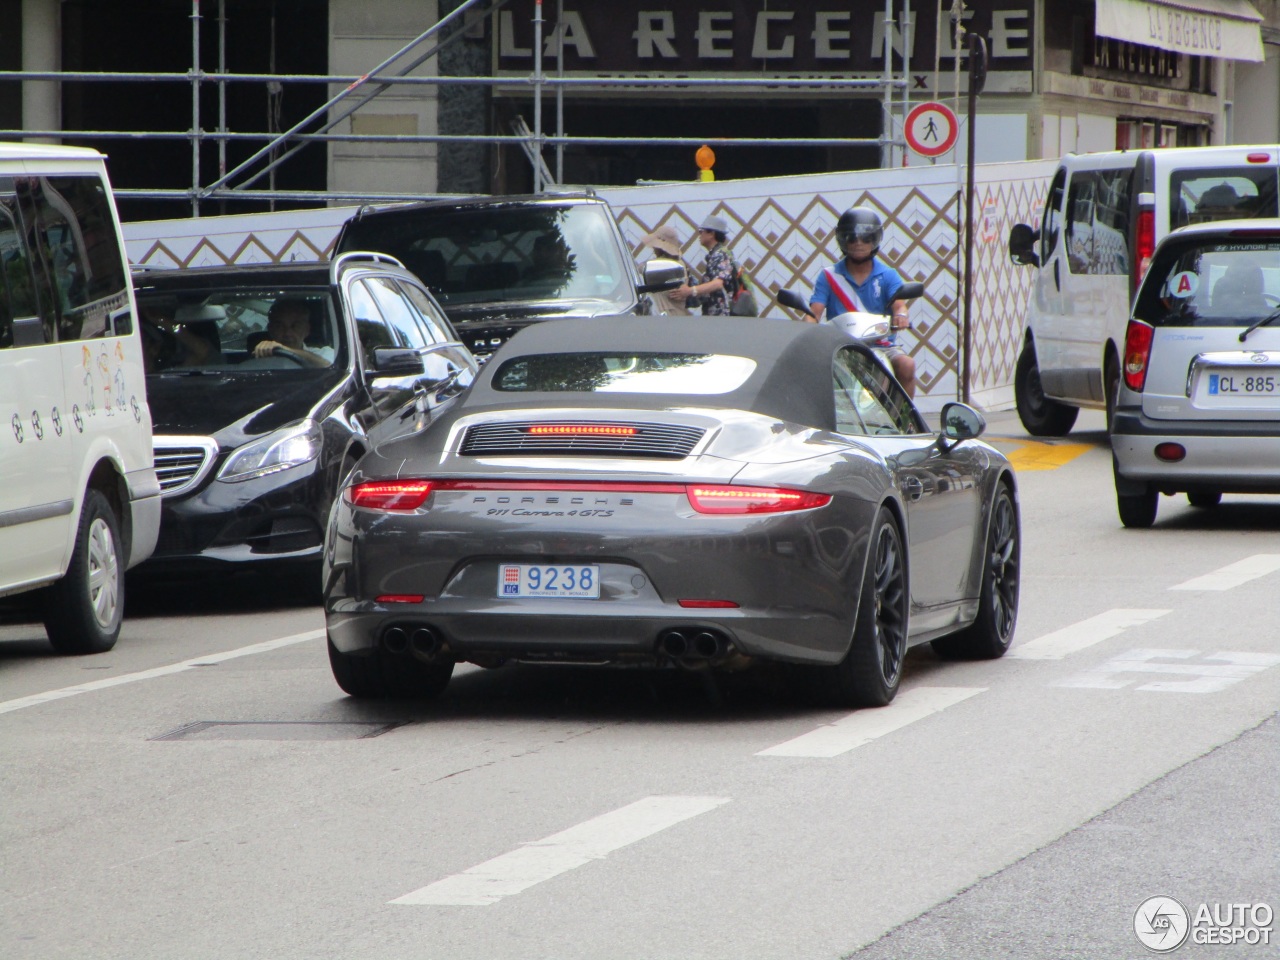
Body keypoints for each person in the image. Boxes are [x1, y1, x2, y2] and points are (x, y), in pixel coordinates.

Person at [808, 206, 917, 397]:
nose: (858, 243)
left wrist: (901, 316)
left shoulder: (887, 275)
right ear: (842, 239)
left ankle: (906, 421)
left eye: (866, 238)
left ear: (876, 240)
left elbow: (899, 304)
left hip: (881, 345)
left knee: (907, 365)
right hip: (842, 346)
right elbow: (814, 312)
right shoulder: (828, 276)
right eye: (851, 237)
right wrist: (807, 328)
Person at [673, 214, 736, 316]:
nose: (699, 235)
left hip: (721, 316)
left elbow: (718, 283)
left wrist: (690, 290)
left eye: (701, 231)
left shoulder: (720, 255)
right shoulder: (715, 255)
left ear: (711, 233)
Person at [252, 298, 332, 367]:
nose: (287, 333)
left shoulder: (325, 353)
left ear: (307, 330)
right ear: (271, 329)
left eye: (295, 326)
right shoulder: (257, 360)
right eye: (280, 326)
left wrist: (286, 350)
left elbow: (329, 367)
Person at [639, 224, 693, 316]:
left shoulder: (672, 265)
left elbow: (642, 268)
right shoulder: (669, 262)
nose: (653, 248)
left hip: (670, 318)